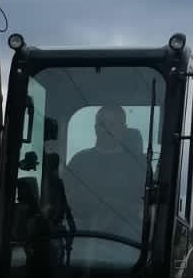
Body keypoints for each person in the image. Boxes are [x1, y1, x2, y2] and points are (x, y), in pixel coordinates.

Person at [63, 103, 147, 245]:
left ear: (123, 129)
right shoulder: (79, 160)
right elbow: (65, 197)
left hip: (126, 239)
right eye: (102, 124)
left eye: (112, 125)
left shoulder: (139, 165)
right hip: (81, 229)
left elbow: (144, 209)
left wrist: (114, 206)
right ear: (95, 128)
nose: (106, 130)